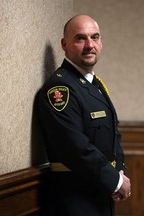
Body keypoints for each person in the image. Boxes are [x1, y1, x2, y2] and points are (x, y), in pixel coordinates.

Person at [38, 14, 131, 216]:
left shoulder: (95, 85)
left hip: (101, 194)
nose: (90, 45)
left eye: (95, 37)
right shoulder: (60, 89)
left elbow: (113, 134)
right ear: (64, 44)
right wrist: (114, 181)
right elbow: (75, 147)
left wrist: (120, 171)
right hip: (75, 199)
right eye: (80, 38)